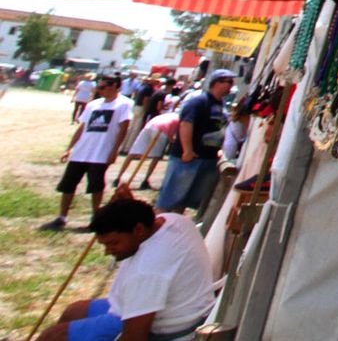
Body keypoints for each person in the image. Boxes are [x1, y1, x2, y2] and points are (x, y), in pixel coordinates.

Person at [36, 193, 216, 341]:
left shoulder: (148, 270)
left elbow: (134, 336)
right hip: (179, 309)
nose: (108, 251)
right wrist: (126, 202)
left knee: (52, 337)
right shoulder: (174, 221)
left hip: (168, 327)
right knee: (74, 310)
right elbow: (147, 214)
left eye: (114, 243)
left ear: (138, 229)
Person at [40, 74, 132, 231]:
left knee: (96, 185)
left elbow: (123, 129)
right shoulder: (93, 105)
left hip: (100, 152)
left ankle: (95, 218)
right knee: (68, 183)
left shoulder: (124, 104)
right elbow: (82, 127)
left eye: (102, 87)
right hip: (82, 151)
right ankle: (62, 217)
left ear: (114, 86)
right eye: (98, 87)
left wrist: (114, 151)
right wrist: (69, 148)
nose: (99, 90)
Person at [155, 69, 233, 218]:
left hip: (207, 157)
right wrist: (187, 150)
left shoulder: (220, 104)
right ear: (217, 83)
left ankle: (173, 227)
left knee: (184, 199)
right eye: (228, 82)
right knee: (169, 198)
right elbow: (185, 124)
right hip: (189, 157)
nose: (231, 86)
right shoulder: (199, 102)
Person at [129, 110, 182, 190]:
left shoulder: (168, 115)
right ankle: (145, 180)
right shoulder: (179, 119)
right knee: (156, 156)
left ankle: (118, 178)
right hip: (160, 130)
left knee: (133, 152)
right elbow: (171, 135)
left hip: (149, 126)